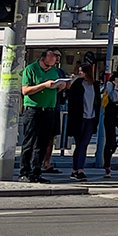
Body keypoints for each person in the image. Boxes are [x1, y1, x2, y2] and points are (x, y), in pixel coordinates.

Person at [19, 47, 69, 183]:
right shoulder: (31, 69)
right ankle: (24, 171)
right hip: (33, 110)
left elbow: (52, 91)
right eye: (53, 55)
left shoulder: (54, 71)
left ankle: (37, 171)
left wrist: (60, 87)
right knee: (29, 142)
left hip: (49, 110)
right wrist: (44, 85)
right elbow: (25, 90)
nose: (56, 58)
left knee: (43, 143)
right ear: (44, 57)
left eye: (58, 56)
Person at [64, 60, 102, 181]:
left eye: (82, 71)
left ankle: (78, 169)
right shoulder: (77, 85)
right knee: (80, 144)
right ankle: (78, 169)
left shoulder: (95, 85)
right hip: (79, 119)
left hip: (90, 118)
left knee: (84, 145)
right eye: (79, 71)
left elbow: (97, 101)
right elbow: (72, 103)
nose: (80, 73)